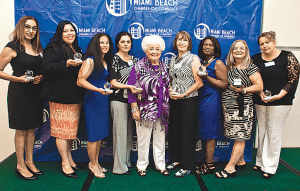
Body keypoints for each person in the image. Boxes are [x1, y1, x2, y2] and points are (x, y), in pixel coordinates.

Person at [0, 16, 44, 180]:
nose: (30, 31)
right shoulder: (12, 47)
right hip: (19, 93)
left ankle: (30, 162)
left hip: (35, 93)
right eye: (27, 27)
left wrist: (39, 77)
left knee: (32, 129)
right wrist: (17, 79)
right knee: (21, 130)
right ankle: (20, 165)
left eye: (33, 28)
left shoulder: (36, 47)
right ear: (21, 27)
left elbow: (37, 69)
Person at [40, 20, 85, 178]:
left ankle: (70, 159)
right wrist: (65, 63)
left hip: (74, 96)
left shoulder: (77, 49)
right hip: (59, 96)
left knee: (70, 131)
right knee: (61, 131)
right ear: (60, 33)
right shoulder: (54, 48)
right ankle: (65, 163)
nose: (70, 33)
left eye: (72, 30)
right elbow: (45, 68)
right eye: (66, 31)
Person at [252, 31, 299, 179]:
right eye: (261, 44)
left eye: (267, 42)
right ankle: (260, 161)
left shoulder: (288, 56)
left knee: (274, 133)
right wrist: (259, 92)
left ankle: (270, 166)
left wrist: (279, 95)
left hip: (281, 101)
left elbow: (293, 79)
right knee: (262, 131)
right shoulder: (256, 58)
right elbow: (254, 79)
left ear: (274, 41)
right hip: (260, 99)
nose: (264, 46)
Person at [215, 40, 263, 179]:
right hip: (229, 107)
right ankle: (240, 161)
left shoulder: (251, 67)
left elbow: (259, 85)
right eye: (235, 48)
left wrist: (244, 89)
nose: (238, 50)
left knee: (240, 137)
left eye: (242, 48)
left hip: (242, 107)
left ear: (246, 50)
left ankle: (230, 168)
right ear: (231, 51)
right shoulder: (228, 67)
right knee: (235, 136)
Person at [127, 35, 170, 177]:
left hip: (162, 110)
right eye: (151, 49)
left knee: (160, 139)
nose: (154, 52)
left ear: (161, 51)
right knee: (143, 139)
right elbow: (131, 89)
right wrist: (134, 109)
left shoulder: (164, 65)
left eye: (157, 49)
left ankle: (161, 165)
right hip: (144, 110)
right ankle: (142, 165)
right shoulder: (138, 66)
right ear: (146, 50)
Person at [77, 33, 113, 178]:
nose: (105, 45)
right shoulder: (90, 60)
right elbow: (80, 81)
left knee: (100, 134)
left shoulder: (103, 60)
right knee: (93, 135)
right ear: (95, 44)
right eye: (101, 43)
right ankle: (92, 164)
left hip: (103, 100)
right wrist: (98, 89)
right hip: (93, 99)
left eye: (107, 43)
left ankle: (96, 162)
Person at [167, 31, 203, 177]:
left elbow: (199, 83)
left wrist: (183, 94)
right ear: (175, 42)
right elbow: (171, 79)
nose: (182, 43)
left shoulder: (194, 58)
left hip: (189, 100)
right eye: (179, 40)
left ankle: (187, 165)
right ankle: (176, 160)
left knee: (187, 133)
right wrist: (170, 91)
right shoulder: (173, 59)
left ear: (189, 43)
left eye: (185, 40)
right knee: (175, 130)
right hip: (174, 100)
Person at [108, 31, 139, 175]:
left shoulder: (135, 59)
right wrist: (128, 86)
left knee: (128, 133)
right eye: (123, 42)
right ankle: (119, 167)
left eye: (128, 41)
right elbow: (113, 82)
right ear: (118, 44)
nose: (126, 44)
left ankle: (126, 161)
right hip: (118, 100)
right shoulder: (115, 59)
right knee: (120, 134)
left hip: (132, 101)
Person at [196, 36, 228, 175]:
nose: (207, 47)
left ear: (215, 48)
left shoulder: (218, 63)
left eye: (210, 45)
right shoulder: (203, 62)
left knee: (210, 134)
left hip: (211, 99)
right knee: (204, 131)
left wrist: (207, 78)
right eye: (205, 45)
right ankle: (205, 161)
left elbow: (224, 84)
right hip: (201, 99)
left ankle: (210, 164)